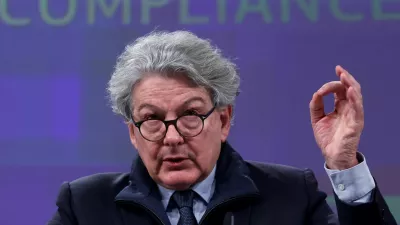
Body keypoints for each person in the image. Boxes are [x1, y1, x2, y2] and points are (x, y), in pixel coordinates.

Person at [47, 31, 396, 225]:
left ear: (224, 120)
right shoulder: (85, 205)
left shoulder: (290, 196)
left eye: (190, 115)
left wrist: (345, 164)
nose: (172, 137)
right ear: (132, 132)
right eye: (152, 119)